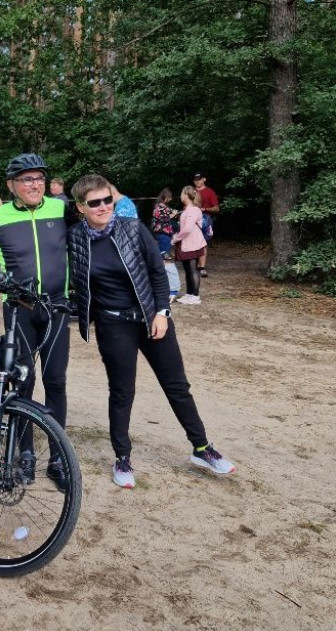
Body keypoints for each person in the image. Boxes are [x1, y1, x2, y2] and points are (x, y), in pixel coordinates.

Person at [66, 174, 236, 489]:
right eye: (95, 203)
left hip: (150, 318)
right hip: (112, 323)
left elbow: (158, 272)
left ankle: (201, 448)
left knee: (177, 385)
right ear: (80, 207)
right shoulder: (75, 237)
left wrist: (162, 312)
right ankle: (122, 457)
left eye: (107, 200)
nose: (103, 207)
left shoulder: (133, 229)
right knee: (121, 392)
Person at [0, 153, 75, 490]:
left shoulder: (61, 209)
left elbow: (95, 228)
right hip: (19, 309)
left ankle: (57, 457)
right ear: (12, 185)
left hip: (57, 307)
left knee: (56, 381)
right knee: (24, 380)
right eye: (26, 179)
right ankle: (26, 453)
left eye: (39, 178)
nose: (34, 184)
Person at [172, 186, 207, 305]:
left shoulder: (193, 210)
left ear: (186, 195)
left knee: (192, 269)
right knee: (188, 269)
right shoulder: (187, 210)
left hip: (193, 244)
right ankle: (189, 294)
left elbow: (187, 229)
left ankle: (195, 296)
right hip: (186, 243)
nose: (181, 195)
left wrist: (175, 238)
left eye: (182, 193)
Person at [193, 172, 219, 277]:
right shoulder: (191, 191)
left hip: (205, 218)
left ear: (204, 179)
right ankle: (195, 265)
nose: (197, 181)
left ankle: (202, 267)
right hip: (192, 218)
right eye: (195, 179)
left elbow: (217, 208)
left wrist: (204, 209)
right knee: (193, 242)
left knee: (203, 243)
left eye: (199, 179)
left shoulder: (210, 192)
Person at [150, 187, 179, 256]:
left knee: (163, 253)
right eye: (169, 197)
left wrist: (175, 214)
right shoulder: (160, 206)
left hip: (163, 234)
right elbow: (164, 219)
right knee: (164, 254)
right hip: (163, 233)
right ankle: (163, 266)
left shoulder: (162, 206)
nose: (170, 199)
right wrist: (173, 214)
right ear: (165, 196)